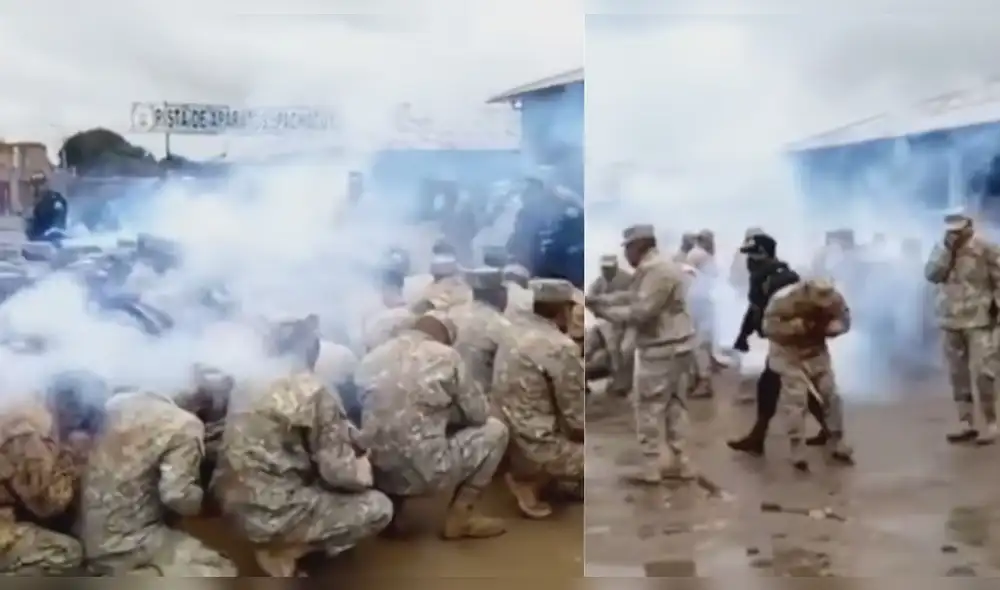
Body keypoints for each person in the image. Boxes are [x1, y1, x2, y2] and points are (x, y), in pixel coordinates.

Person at [213, 315, 390, 577]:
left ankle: (278, 539)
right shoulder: (314, 390)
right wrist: (365, 468)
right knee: (379, 507)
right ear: (312, 349)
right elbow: (338, 472)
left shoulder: (247, 381)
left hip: (231, 506)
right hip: (275, 513)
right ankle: (287, 547)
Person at [356, 311, 508, 539]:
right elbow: (477, 415)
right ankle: (461, 518)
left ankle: (393, 514)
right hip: (427, 473)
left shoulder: (372, 357)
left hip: (376, 472)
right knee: (496, 430)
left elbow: (366, 410)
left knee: (392, 429)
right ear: (445, 337)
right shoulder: (447, 357)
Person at [81, 383, 237, 576]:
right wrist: (205, 498)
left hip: (87, 540)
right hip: (132, 544)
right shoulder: (182, 423)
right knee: (222, 571)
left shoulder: (113, 405)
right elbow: (178, 497)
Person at [587, 224, 698, 484]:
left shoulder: (656, 270)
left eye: (628, 248)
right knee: (674, 405)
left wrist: (602, 312)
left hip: (661, 347)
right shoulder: (660, 267)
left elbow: (641, 311)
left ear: (640, 246)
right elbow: (634, 295)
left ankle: (651, 466)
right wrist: (602, 301)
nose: (626, 255)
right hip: (678, 345)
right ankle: (682, 462)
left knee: (648, 406)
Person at [727, 232, 828, 456]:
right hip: (780, 340)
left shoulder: (781, 279)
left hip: (788, 342)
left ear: (762, 255)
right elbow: (755, 308)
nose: (747, 261)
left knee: (778, 386)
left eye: (751, 255)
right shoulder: (763, 278)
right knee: (774, 386)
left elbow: (792, 312)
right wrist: (744, 335)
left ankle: (760, 436)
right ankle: (827, 428)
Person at [496, 278, 585, 516]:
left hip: (505, 434)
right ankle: (530, 482)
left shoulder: (512, 331)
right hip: (534, 444)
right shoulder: (559, 346)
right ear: (564, 310)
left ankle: (547, 477)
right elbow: (577, 418)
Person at [762, 276, 854, 471]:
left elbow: (845, 319)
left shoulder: (834, 298)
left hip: (816, 351)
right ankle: (797, 448)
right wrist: (791, 328)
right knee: (796, 401)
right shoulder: (783, 299)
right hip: (788, 354)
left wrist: (838, 327)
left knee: (831, 394)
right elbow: (767, 328)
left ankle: (837, 440)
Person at [924, 212, 1000, 444]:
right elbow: (931, 275)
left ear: (969, 227)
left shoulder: (985, 248)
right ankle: (966, 422)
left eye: (959, 230)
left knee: (983, 372)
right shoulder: (941, 249)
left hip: (979, 319)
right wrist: (947, 251)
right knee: (958, 375)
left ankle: (991, 423)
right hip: (950, 319)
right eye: (951, 230)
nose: (954, 234)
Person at [0, 384, 91, 575]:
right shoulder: (28, 434)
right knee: (66, 551)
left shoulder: (16, 410)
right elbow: (46, 505)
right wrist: (73, 462)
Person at [448, 268, 512, 399]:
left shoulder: (452, 315)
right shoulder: (501, 326)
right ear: (500, 293)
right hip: (482, 401)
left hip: (450, 397)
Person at [586, 254, 634, 396]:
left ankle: (621, 383)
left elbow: (634, 300)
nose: (606, 271)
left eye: (609, 268)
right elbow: (590, 301)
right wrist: (599, 311)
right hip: (605, 322)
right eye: (604, 268)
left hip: (625, 321)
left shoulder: (627, 280)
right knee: (588, 346)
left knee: (618, 349)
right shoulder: (598, 283)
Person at [25, 174, 68, 243]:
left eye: (35, 185)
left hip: (47, 240)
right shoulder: (37, 203)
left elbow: (57, 224)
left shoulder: (52, 200)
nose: (31, 188)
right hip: (42, 240)